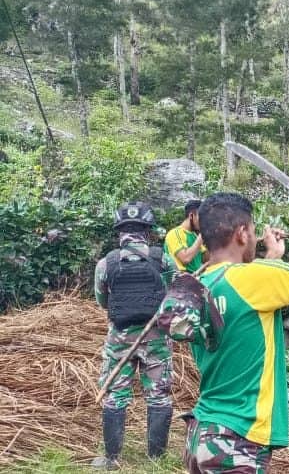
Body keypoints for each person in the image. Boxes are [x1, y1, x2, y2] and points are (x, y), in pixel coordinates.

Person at [183, 191, 289, 473]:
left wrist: (273, 256)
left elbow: (248, 295)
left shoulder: (200, 284)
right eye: (251, 228)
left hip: (203, 433)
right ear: (241, 234)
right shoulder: (255, 279)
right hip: (238, 437)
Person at [92, 201, 178, 469]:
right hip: (157, 340)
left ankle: (111, 459)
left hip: (120, 339)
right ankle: (156, 459)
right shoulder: (162, 258)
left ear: (120, 232)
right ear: (148, 231)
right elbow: (173, 294)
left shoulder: (106, 263)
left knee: (115, 395)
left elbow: (102, 301)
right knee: (159, 395)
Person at [165, 199, 206, 273]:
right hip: (181, 281)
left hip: (196, 279)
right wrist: (202, 235)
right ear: (191, 216)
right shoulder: (174, 233)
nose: (203, 221)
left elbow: (206, 259)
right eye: (201, 218)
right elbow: (185, 258)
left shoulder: (195, 236)